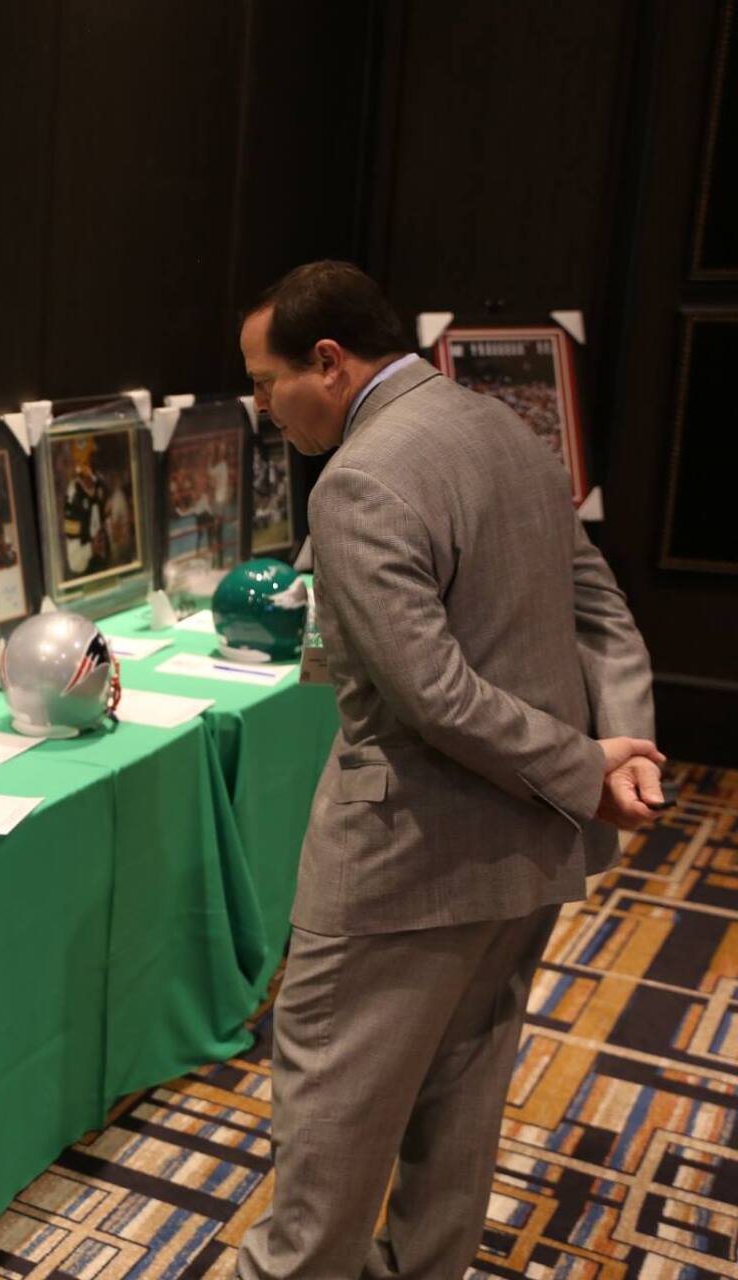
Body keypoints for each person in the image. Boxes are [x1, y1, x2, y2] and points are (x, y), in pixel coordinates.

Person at [235, 261, 661, 1279]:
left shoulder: (359, 479)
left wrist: (586, 766)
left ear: (328, 362)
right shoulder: (504, 426)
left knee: (330, 1136)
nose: (262, 410)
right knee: (459, 1107)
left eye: (264, 383)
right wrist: (624, 751)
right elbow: (603, 611)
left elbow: (433, 694)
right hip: (526, 851)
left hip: (403, 862)